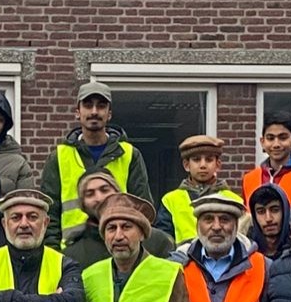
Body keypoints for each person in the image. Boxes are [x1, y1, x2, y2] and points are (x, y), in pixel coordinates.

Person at [40, 80, 149, 239]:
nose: (94, 111)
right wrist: (56, 254)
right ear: (78, 112)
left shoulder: (129, 154)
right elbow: (50, 213)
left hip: (119, 246)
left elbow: (142, 208)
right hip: (72, 251)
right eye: (88, 105)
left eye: (101, 106)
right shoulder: (59, 156)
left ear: (109, 113)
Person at [64, 170, 173, 267]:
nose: (99, 198)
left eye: (104, 190)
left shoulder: (157, 241)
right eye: (90, 194)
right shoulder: (72, 255)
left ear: (117, 193)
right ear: (82, 204)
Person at [240, 112, 291, 207]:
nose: (276, 144)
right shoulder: (249, 179)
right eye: (270, 138)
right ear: (262, 142)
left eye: (283, 138)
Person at [155, 135, 227, 244]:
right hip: (180, 259)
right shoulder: (170, 200)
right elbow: (163, 242)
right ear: (186, 165)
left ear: (218, 165)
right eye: (196, 159)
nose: (203, 165)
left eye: (209, 159)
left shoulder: (231, 199)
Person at [245, 183, 291, 259]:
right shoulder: (244, 250)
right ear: (254, 216)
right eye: (261, 212)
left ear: (285, 212)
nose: (268, 219)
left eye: (275, 210)